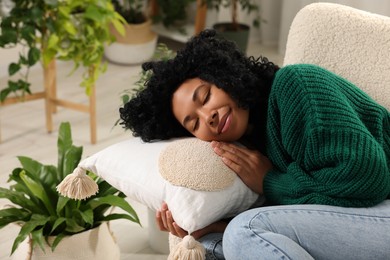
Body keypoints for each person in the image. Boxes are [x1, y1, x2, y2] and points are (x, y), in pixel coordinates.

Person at [119, 30, 390, 259]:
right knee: (215, 242)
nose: (208, 117)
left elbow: (368, 178)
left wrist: (270, 182)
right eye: (194, 124)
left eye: (205, 97)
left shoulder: (295, 86)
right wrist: (208, 224)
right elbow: (301, 213)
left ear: (223, 75)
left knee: (245, 230)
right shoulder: (251, 147)